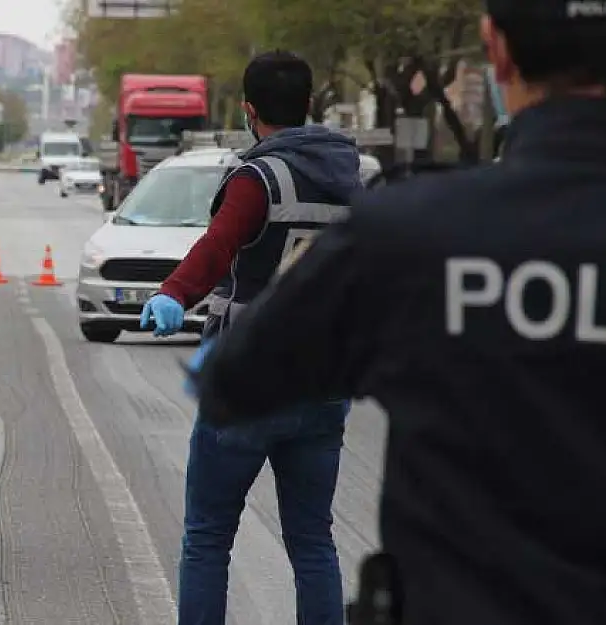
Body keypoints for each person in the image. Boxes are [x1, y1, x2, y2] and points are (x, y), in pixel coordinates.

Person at [190, 2, 606, 624]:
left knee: (213, 535)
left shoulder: (412, 233)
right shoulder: (377, 208)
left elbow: (233, 378)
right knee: (312, 541)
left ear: (496, 49)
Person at [138, 51, 363, 625]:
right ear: (310, 106)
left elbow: (217, 246)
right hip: (323, 380)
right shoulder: (349, 178)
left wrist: (173, 294)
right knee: (313, 542)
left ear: (249, 110)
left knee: (208, 537)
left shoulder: (257, 178)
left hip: (249, 381)